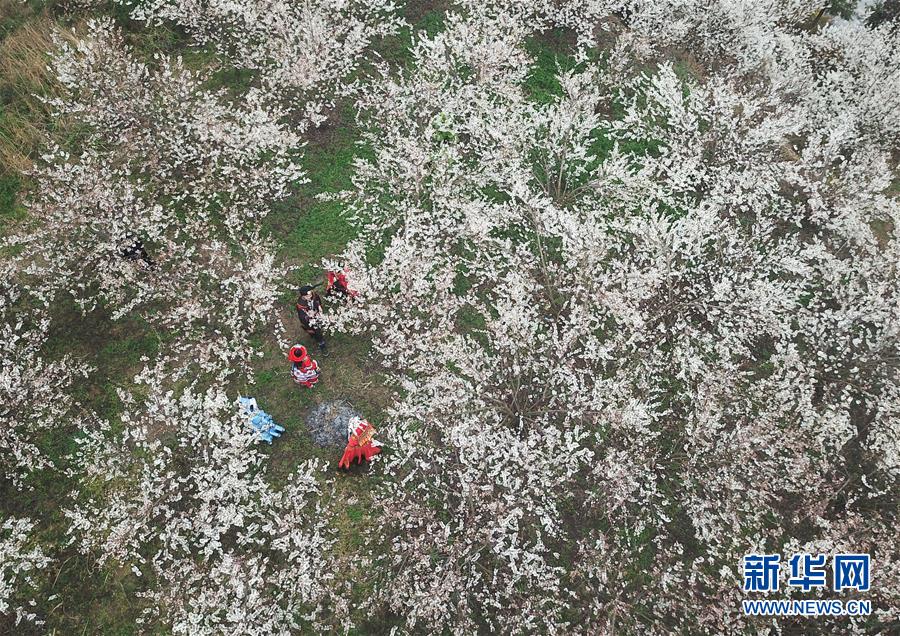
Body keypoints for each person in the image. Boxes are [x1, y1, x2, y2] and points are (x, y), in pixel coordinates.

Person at [296, 284, 328, 356]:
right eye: (308, 296)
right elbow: (303, 318)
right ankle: (321, 344)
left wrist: (319, 306)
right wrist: (309, 317)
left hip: (317, 314)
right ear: (303, 296)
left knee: (322, 324)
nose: (310, 296)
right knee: (317, 333)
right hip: (310, 321)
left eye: (310, 295)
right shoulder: (301, 305)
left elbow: (317, 300)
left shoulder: (313, 295)